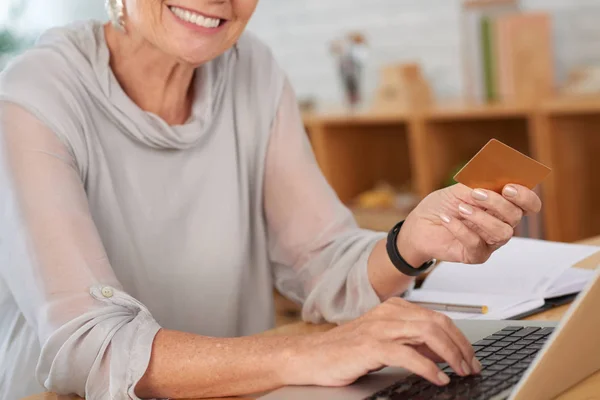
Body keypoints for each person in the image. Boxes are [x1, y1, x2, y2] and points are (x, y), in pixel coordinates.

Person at [0, 1, 542, 399]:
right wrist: (306, 353)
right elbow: (89, 349)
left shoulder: (251, 70)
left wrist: (411, 242)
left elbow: (322, 261)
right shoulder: (33, 96)